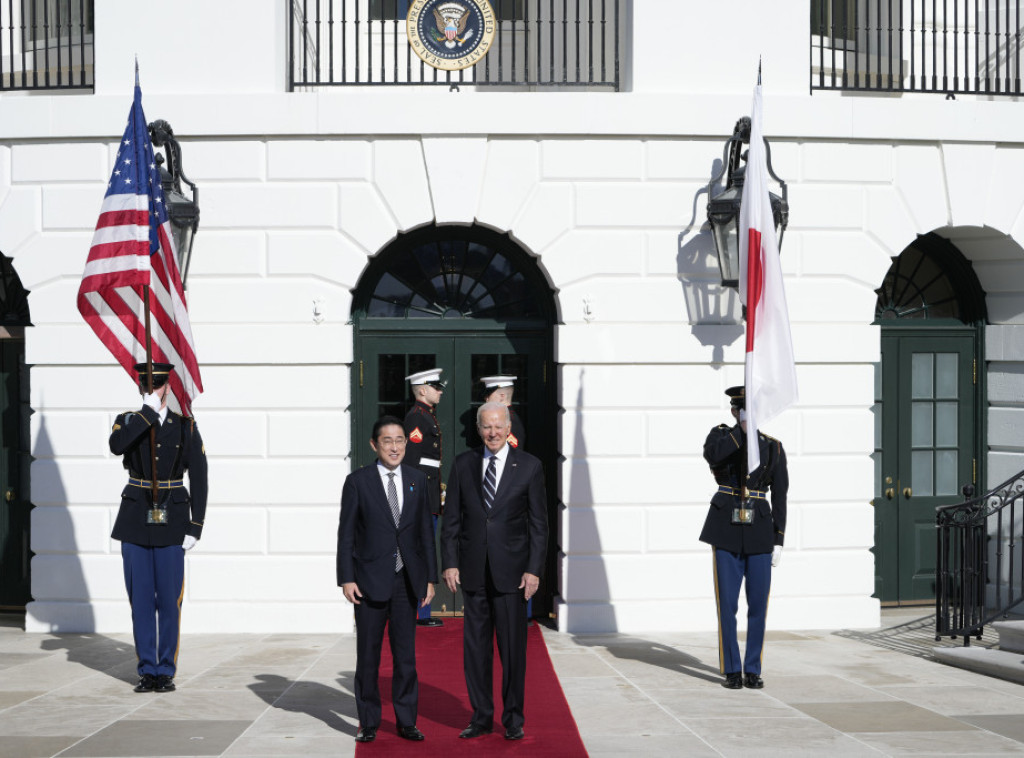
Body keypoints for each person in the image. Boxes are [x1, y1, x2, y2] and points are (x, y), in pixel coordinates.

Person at [441, 402, 547, 741]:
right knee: (476, 650)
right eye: (487, 426)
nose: (493, 433)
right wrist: (450, 561)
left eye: (498, 426)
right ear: (478, 428)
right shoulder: (462, 465)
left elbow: (538, 525)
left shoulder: (529, 467)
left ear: (509, 426)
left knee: (513, 651)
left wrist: (533, 570)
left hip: (513, 574)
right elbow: (452, 520)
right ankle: (481, 716)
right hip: (472, 573)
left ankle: (513, 718)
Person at [337, 416, 437, 743]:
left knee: (405, 657)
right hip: (368, 582)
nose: (394, 447)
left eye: (399, 441)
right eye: (387, 441)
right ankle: (368, 721)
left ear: (406, 444)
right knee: (368, 657)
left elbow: (425, 533)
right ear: (374, 445)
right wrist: (346, 578)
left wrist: (429, 579)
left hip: (406, 581)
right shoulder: (358, 482)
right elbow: (346, 534)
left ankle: (407, 720)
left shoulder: (417, 480)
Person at [109, 362, 208, 694]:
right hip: (136, 518)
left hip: (173, 519)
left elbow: (201, 477)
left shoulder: (185, 427)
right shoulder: (128, 421)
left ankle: (165, 669)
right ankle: (146, 669)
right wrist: (147, 415)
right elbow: (117, 446)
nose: (152, 390)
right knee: (140, 600)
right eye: (147, 386)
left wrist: (196, 525)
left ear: (168, 386)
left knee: (168, 600)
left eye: (158, 385)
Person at [700, 385, 788, 690]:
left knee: (758, 605)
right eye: (741, 409)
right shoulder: (721, 437)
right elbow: (714, 456)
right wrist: (742, 430)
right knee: (727, 605)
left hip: (760, 529)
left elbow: (781, 496)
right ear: (734, 411)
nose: (746, 414)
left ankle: (753, 668)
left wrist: (779, 538)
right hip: (725, 527)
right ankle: (731, 669)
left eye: (751, 410)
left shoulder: (773, 447)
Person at [403, 367, 446, 627]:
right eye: (435, 387)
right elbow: (411, 464)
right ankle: (421, 612)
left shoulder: (427, 416)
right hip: (421, 497)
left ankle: (423, 611)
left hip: (428, 494)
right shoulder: (417, 419)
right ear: (422, 390)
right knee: (421, 551)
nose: (440, 391)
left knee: (426, 549)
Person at [479, 375, 525, 450]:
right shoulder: (507, 416)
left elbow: (512, 454)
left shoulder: (509, 419)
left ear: (502, 396)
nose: (486, 399)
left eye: (488, 395)